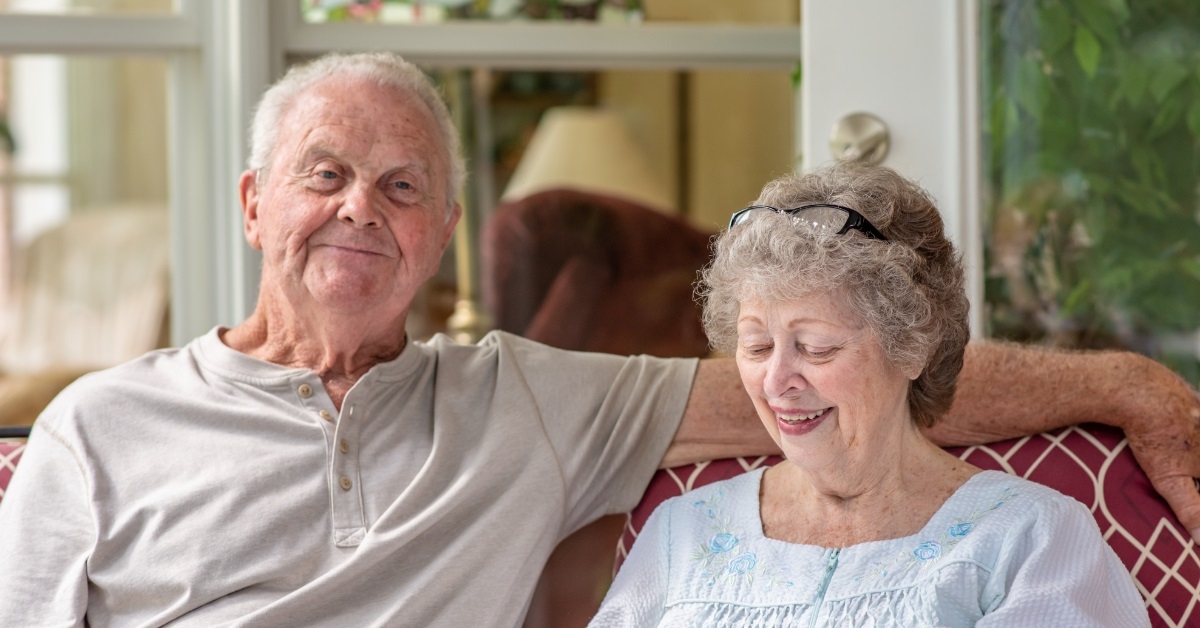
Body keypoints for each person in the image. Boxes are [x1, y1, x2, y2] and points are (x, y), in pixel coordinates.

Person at [0, 51, 1193, 627]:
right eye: (325, 174)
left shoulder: (522, 399)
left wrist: (1131, 384)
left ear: (445, 234)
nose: (361, 208)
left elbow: (859, 375)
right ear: (255, 202)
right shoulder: (97, 430)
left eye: (403, 186)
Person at [589, 163, 1151, 626]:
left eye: (815, 348)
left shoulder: (1030, 539)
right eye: (756, 346)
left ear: (912, 346)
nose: (776, 381)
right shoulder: (683, 532)